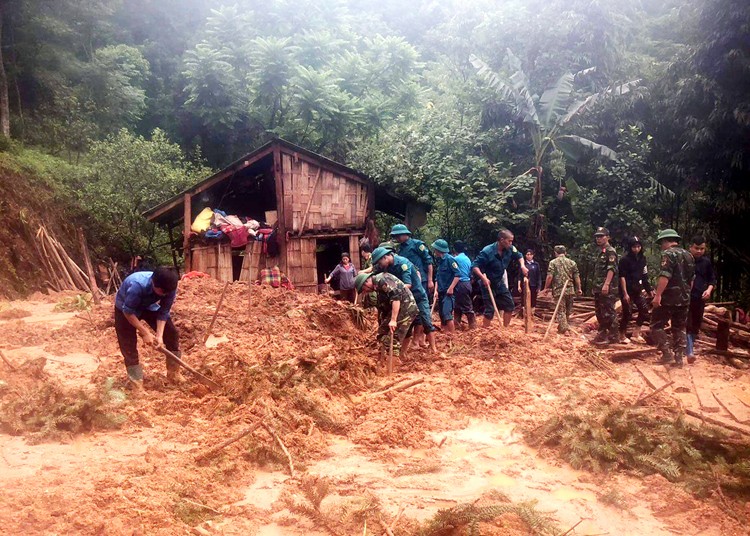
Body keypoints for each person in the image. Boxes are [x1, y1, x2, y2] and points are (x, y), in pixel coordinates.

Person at [114, 267, 182, 388]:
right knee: (128, 343)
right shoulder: (137, 285)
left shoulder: (170, 287)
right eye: (162, 292)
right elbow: (128, 312)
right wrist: (145, 332)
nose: (165, 294)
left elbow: (164, 311)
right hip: (125, 309)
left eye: (167, 292)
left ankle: (174, 373)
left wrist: (159, 336)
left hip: (148, 306)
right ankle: (136, 381)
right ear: (153, 282)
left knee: (171, 333)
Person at [371, 246, 436, 352]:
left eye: (379, 262)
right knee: (407, 326)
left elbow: (408, 284)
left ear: (385, 257)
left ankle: (434, 349)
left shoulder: (402, 263)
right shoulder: (386, 267)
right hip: (403, 299)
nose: (379, 265)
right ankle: (403, 353)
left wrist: (393, 292)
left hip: (417, 296)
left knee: (426, 321)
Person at [651, 229, 695, 367]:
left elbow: (665, 276)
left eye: (661, 243)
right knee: (679, 327)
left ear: (665, 241)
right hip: (684, 298)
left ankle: (667, 354)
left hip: (669, 298)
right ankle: (679, 359)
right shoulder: (689, 255)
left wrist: (658, 295)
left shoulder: (668, 254)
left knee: (656, 325)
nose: (661, 246)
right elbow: (691, 279)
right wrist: (687, 294)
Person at [355, 272, 418, 361]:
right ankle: (383, 359)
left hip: (406, 308)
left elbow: (396, 299)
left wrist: (393, 320)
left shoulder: (383, 280)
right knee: (382, 333)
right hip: (394, 310)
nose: (365, 292)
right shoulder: (377, 286)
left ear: (366, 282)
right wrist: (382, 323)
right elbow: (382, 306)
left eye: (364, 289)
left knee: (394, 338)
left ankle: (393, 365)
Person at [471, 229, 528, 328]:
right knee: (490, 310)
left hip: (499, 282)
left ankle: (505, 330)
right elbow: (475, 266)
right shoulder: (487, 251)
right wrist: (483, 278)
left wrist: (522, 266)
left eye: (511, 241)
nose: (511, 243)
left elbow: (519, 256)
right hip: (486, 283)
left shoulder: (510, 248)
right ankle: (485, 332)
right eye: (509, 241)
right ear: (502, 240)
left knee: (509, 305)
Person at [686, 235, 716, 363]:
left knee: (696, 324)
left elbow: (712, 279)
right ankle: (689, 351)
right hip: (685, 297)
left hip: (700, 297)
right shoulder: (685, 259)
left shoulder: (706, 262)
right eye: (696, 248)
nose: (699, 251)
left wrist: (708, 290)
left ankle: (689, 347)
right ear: (690, 247)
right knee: (686, 323)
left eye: (702, 249)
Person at [618, 236, 654, 342]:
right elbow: (622, 277)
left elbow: (644, 275)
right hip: (626, 289)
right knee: (627, 313)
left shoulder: (642, 259)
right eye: (634, 247)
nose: (636, 249)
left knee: (644, 310)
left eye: (638, 246)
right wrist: (625, 293)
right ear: (630, 247)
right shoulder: (624, 260)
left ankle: (636, 333)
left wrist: (649, 289)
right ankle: (621, 335)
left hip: (637, 289)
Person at [540, 246, 582, 334]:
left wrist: (546, 288)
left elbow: (550, 276)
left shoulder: (553, 262)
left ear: (556, 253)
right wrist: (579, 288)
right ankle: (562, 327)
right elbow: (576, 277)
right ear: (565, 252)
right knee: (567, 310)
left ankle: (564, 329)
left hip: (559, 290)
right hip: (570, 289)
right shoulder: (572, 263)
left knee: (561, 311)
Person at [591, 227, 620, 344]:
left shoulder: (610, 251)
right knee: (599, 312)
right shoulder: (600, 251)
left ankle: (613, 337)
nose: (598, 238)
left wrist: (606, 284)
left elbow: (611, 269)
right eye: (597, 236)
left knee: (609, 312)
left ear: (608, 237)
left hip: (607, 287)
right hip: (598, 287)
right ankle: (602, 334)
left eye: (601, 236)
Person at [389, 224, 434, 298]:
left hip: (421, 280)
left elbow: (429, 262)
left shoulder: (417, 244)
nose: (397, 238)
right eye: (395, 236)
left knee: (422, 301)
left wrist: (430, 280)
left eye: (398, 236)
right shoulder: (399, 248)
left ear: (405, 234)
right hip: (407, 280)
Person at [431, 239, 461, 333]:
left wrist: (451, 288)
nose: (434, 251)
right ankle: (445, 334)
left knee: (447, 313)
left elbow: (458, 275)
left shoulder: (450, 259)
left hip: (448, 293)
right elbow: (437, 278)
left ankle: (452, 335)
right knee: (442, 315)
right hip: (441, 292)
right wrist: (435, 291)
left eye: (435, 249)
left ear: (439, 250)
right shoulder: (439, 261)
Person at [452, 240, 476, 329]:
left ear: (454, 249)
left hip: (460, 283)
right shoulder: (467, 258)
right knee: (457, 305)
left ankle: (473, 327)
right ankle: (457, 325)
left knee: (466, 305)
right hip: (467, 283)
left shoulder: (455, 259)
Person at [519, 249, 542, 317]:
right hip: (524, 285)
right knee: (524, 299)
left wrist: (539, 287)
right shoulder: (523, 264)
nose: (529, 256)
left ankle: (532, 314)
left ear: (533, 255)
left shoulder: (536, 264)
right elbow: (519, 276)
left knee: (533, 299)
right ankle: (524, 314)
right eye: (527, 254)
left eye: (530, 254)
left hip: (533, 285)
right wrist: (519, 286)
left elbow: (539, 276)